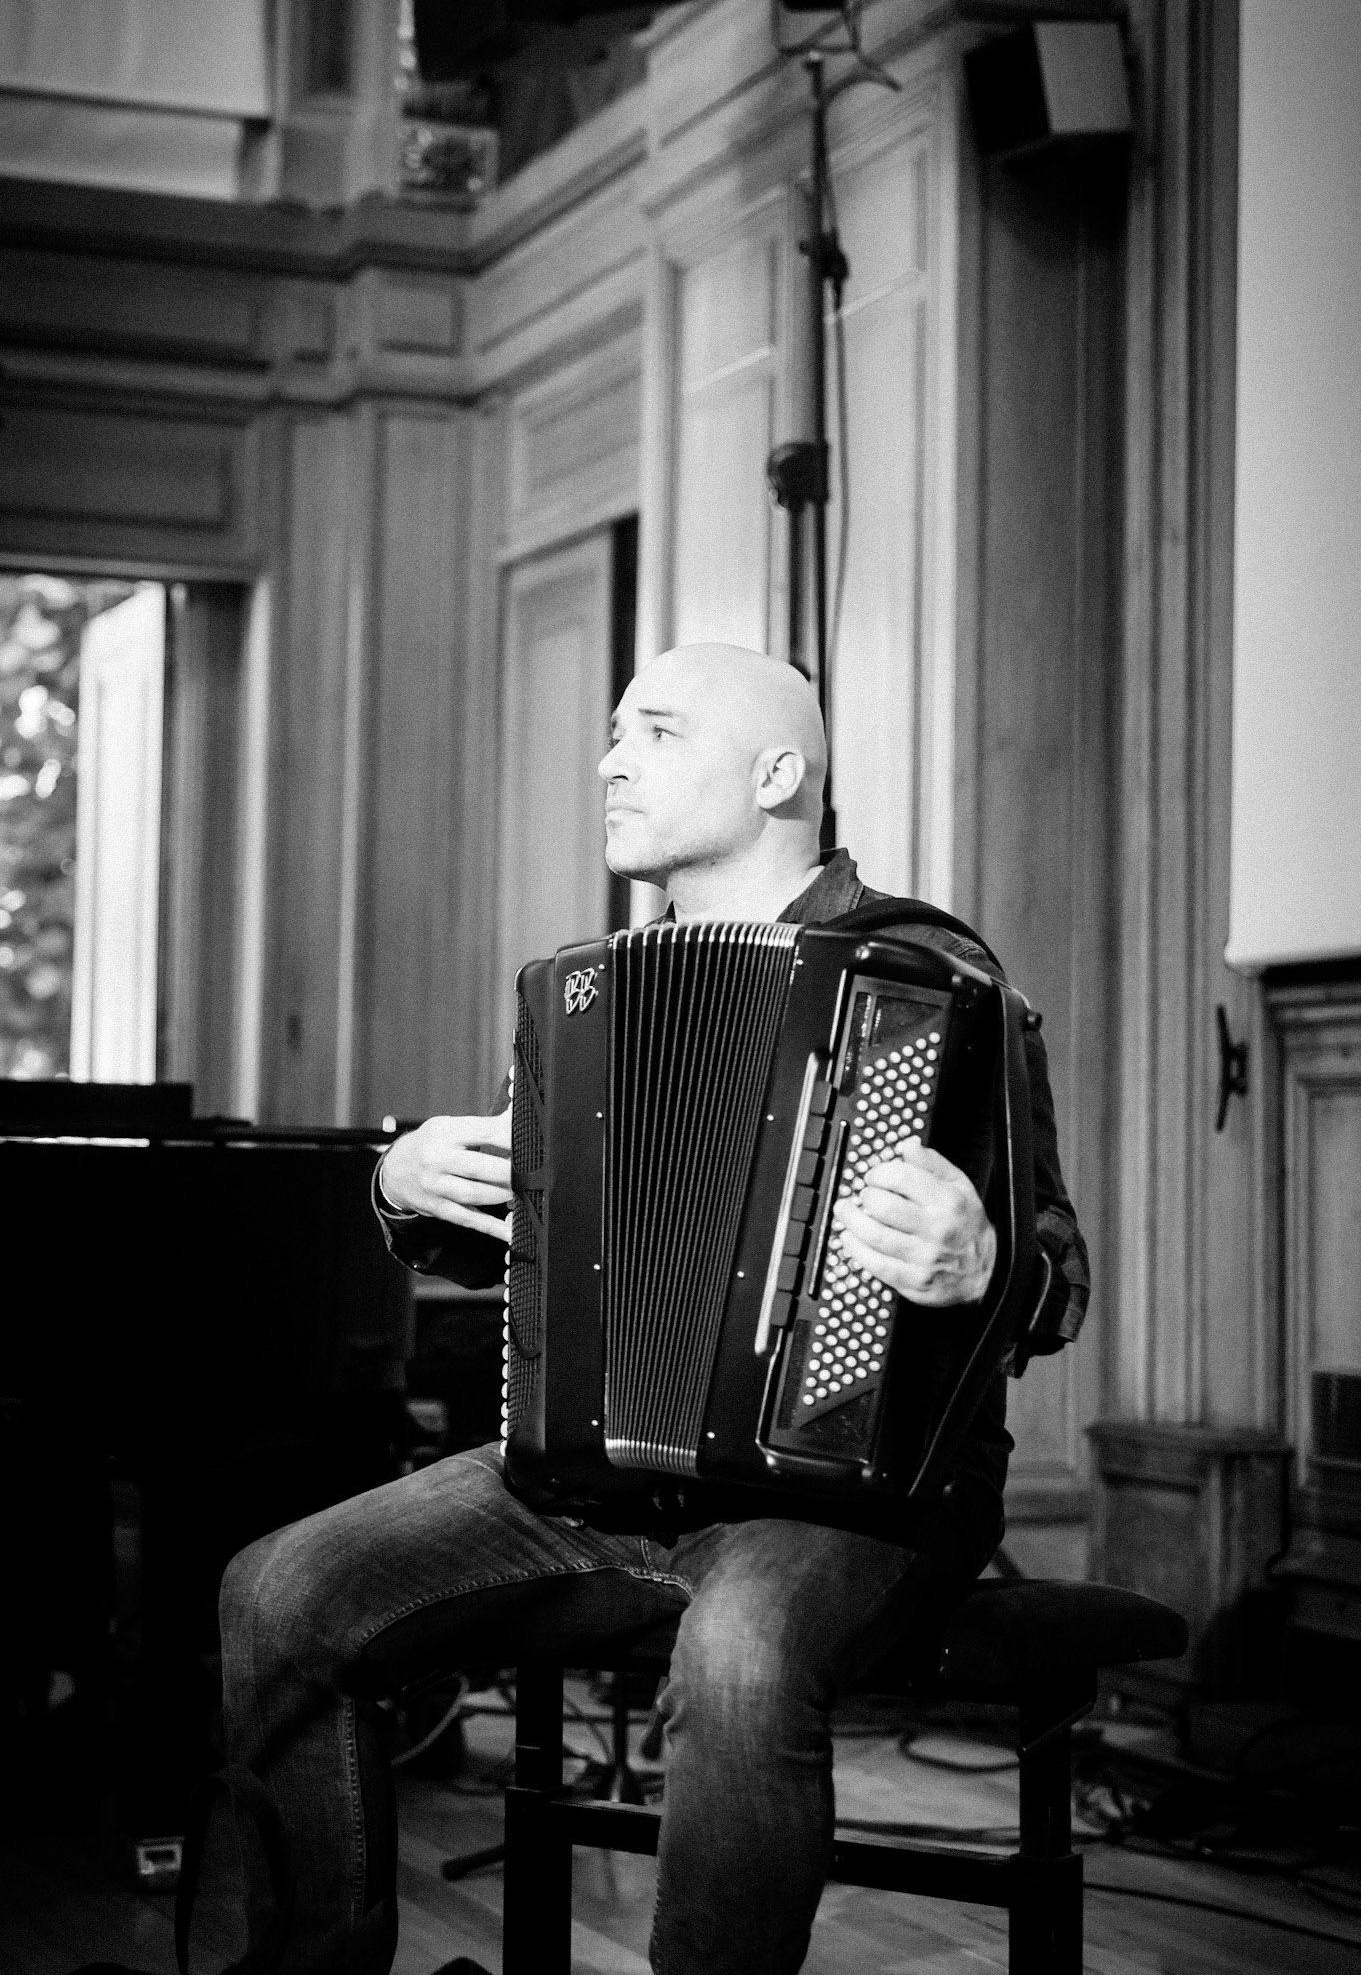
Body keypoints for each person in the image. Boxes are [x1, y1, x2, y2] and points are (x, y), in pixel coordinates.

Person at [220, 643, 1088, 1975]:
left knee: (738, 1654)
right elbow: (517, 1241)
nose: (611, 761)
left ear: (778, 774)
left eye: (658, 733)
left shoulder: (931, 974)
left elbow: (1055, 1277)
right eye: (614, 733)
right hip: (590, 1476)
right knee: (278, 1593)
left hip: (856, 1493)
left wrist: (982, 1262)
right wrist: (403, 1182)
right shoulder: (593, 993)